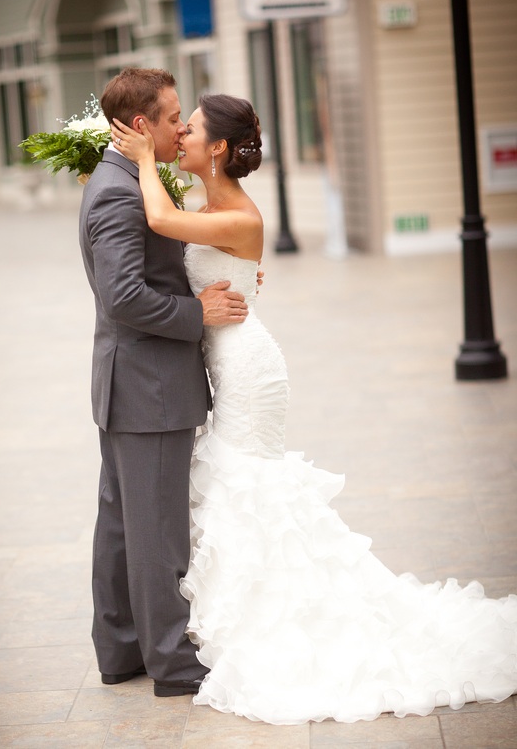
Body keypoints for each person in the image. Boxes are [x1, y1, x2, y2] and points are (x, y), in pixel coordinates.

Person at [111, 93, 517, 724]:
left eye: (188, 129)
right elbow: (186, 249)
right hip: (225, 352)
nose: (179, 136)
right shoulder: (211, 207)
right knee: (239, 485)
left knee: (249, 484)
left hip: (248, 368)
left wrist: (138, 157)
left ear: (216, 148)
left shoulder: (236, 215)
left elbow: (161, 223)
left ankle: (286, 613)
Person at [79, 68, 250, 698]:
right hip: (148, 387)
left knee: (125, 525)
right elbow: (122, 295)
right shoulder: (120, 193)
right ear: (143, 125)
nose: (183, 126)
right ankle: (174, 664)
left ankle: (122, 650)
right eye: (175, 116)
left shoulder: (122, 178)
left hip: (133, 384)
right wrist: (195, 314)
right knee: (155, 531)